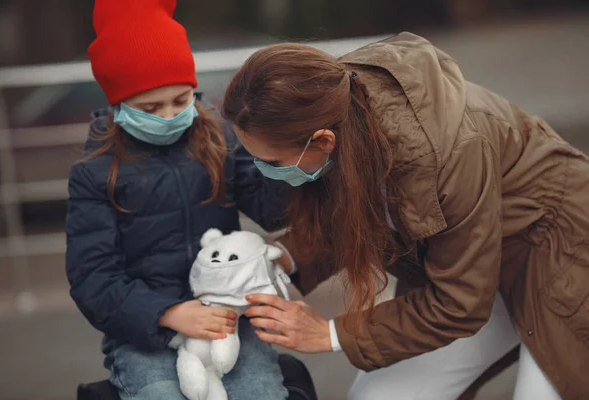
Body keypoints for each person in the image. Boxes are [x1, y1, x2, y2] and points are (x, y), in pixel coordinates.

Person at [221, 33, 589, 399]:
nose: (260, 170)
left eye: (270, 162)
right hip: (470, 266)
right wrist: (280, 260)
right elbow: (351, 214)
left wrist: (330, 333)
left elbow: (459, 304)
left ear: (322, 141)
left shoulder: (445, 152)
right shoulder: (334, 110)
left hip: (562, 256)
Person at [65, 1, 292, 399]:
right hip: (144, 331)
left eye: (181, 100)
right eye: (149, 108)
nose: (169, 115)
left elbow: (273, 213)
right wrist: (167, 314)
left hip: (227, 317)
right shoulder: (94, 172)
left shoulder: (220, 138)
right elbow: (92, 278)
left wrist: (278, 160)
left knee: (262, 392)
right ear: (120, 103)